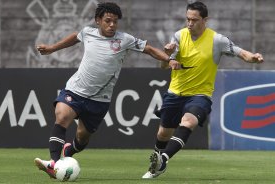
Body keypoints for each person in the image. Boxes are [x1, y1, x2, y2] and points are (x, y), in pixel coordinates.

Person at [34, 2, 180, 179]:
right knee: (62, 116)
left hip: (99, 100)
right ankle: (55, 164)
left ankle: (69, 150)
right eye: (108, 21)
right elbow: (75, 37)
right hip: (75, 90)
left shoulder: (124, 40)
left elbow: (149, 49)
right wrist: (51, 48)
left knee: (82, 138)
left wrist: (169, 59)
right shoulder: (88, 33)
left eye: (115, 22)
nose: (112, 25)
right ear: (98, 21)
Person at [142, 1, 264, 179]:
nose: (190, 24)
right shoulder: (178, 36)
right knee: (163, 133)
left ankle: (164, 159)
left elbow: (242, 53)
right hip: (175, 93)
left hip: (200, 95)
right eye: (187, 19)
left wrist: (253, 57)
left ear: (205, 20)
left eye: (194, 20)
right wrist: (167, 56)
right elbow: (163, 66)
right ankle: (156, 165)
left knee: (189, 122)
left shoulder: (217, 40)